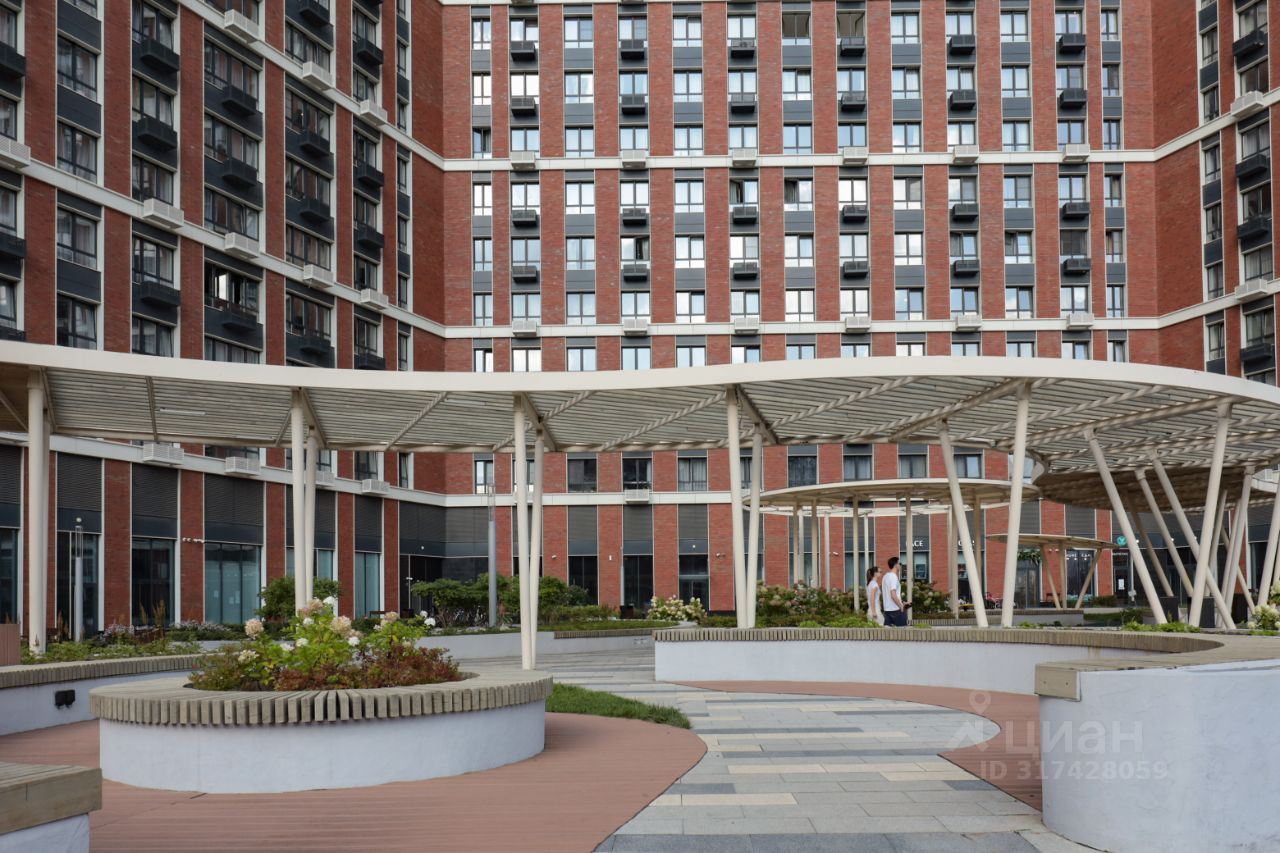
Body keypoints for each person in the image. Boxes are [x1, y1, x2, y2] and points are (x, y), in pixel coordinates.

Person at [881, 557, 907, 627]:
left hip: (887, 610)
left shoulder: (885, 577)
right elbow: (893, 594)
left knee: (888, 633)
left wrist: (902, 601)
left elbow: (888, 594)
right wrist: (901, 606)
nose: (901, 565)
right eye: (900, 563)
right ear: (896, 565)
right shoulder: (893, 577)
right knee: (902, 632)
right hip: (896, 610)